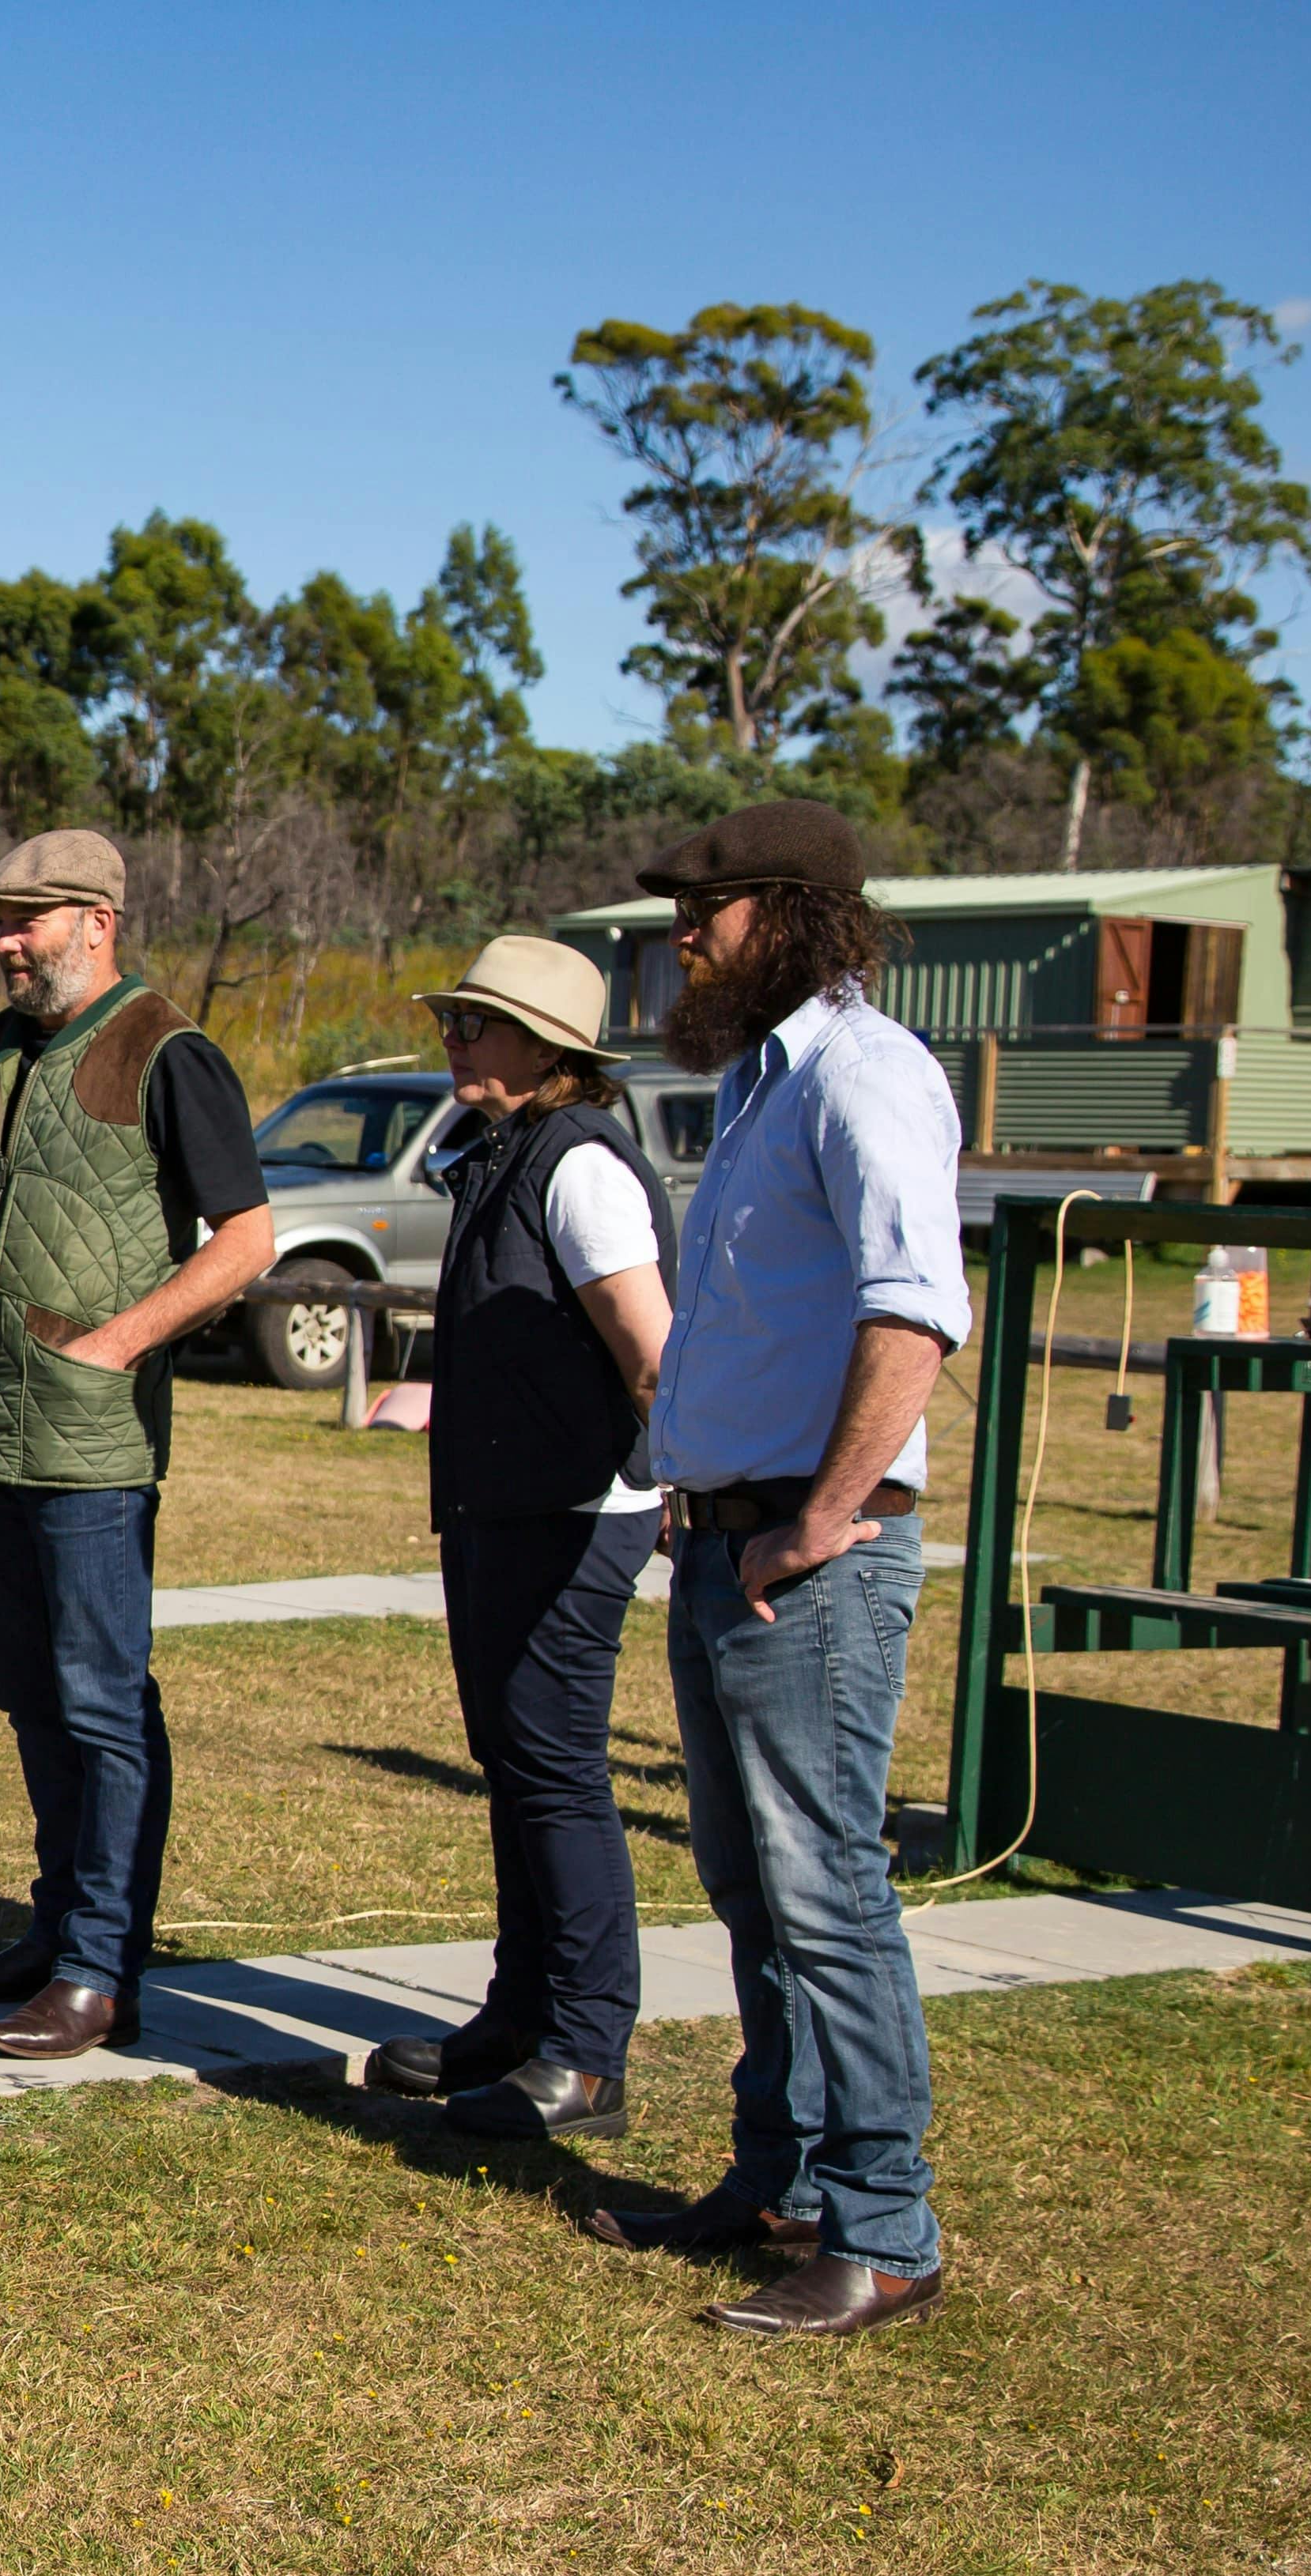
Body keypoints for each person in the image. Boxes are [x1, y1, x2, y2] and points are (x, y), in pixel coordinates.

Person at [578, 798, 967, 2342]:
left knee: (824, 1888)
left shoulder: (867, 1074)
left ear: (795, 912)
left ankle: (882, 2226)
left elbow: (914, 1312)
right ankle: (778, 2175)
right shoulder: (759, 1085)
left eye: (711, 907)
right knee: (751, 1886)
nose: (684, 931)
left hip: (810, 1553)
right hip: (728, 1532)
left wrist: (820, 1512)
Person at [0, 830, 275, 2058]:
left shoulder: (168, 1048)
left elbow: (244, 1237)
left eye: (27, 919)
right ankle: (54, 1923)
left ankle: (100, 1963)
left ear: (97, 919)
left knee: (100, 1701)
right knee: (27, 1695)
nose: (6, 942)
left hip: (86, 1441)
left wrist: (116, 1344)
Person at [361, 936, 670, 2143]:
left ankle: (587, 2052)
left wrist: (684, 1498)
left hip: (576, 1513)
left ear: (548, 1052)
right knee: (514, 1760)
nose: (453, 1039)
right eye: (449, 1018)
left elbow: (650, 1353)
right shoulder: (502, 1152)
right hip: (505, 1504)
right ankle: (519, 2015)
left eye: (475, 1024)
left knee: (555, 1769)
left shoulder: (579, 1165)